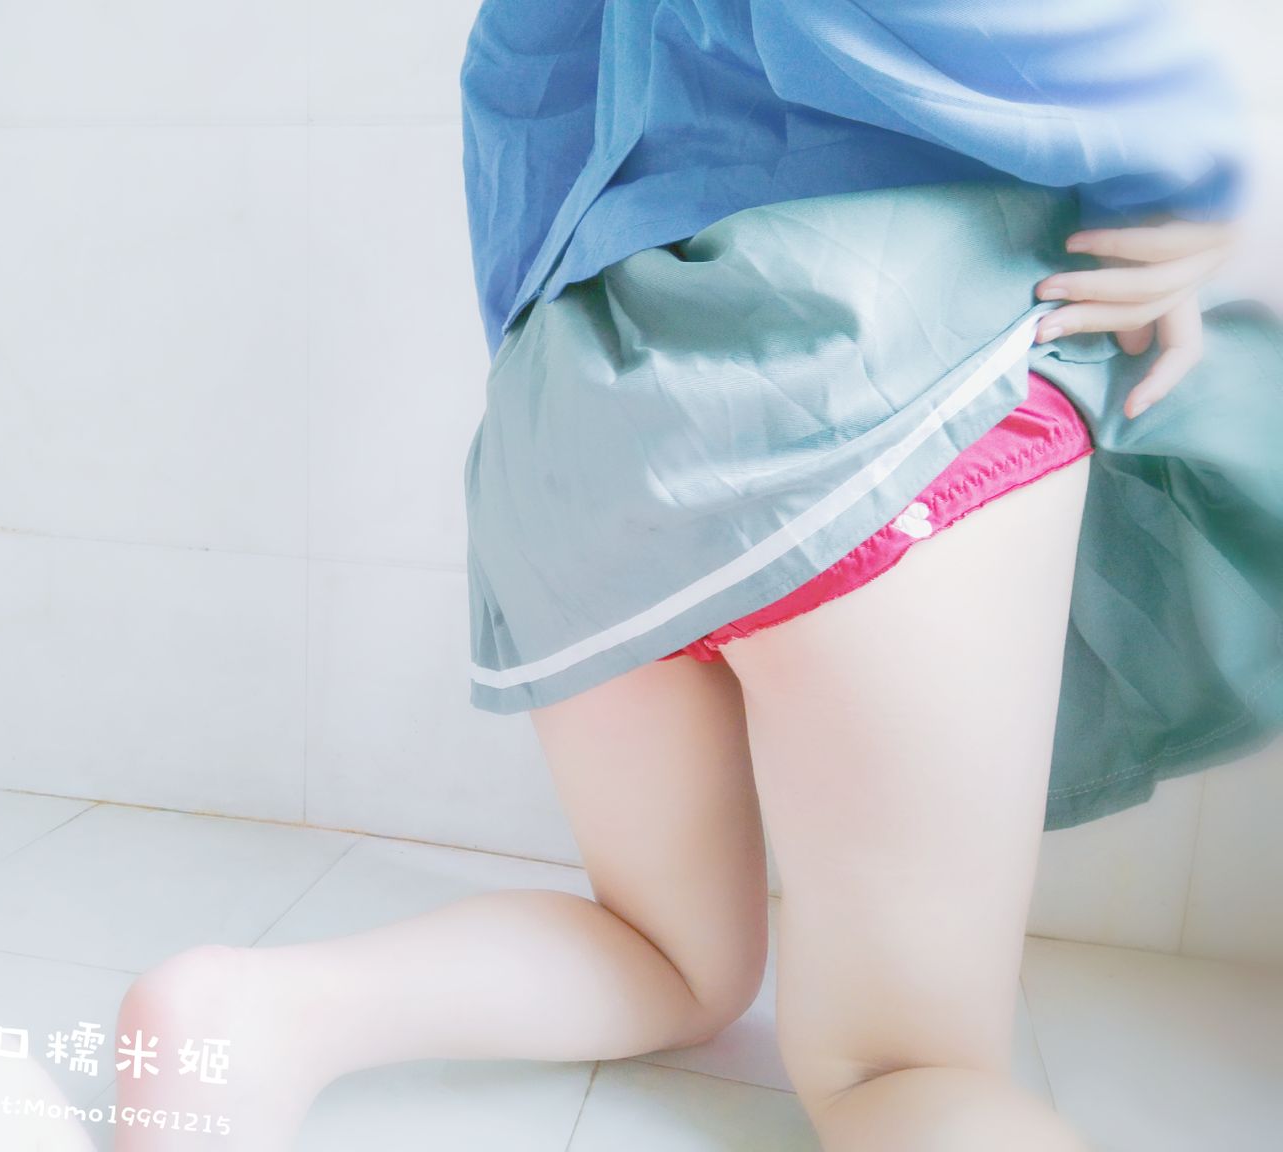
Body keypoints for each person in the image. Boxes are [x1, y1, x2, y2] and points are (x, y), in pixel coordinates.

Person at [114, 4, 1283, 1150]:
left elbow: (515, 112)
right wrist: (1199, 168)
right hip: (865, 375)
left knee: (670, 953)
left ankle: (257, 1014)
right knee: (903, 1065)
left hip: (579, 426)